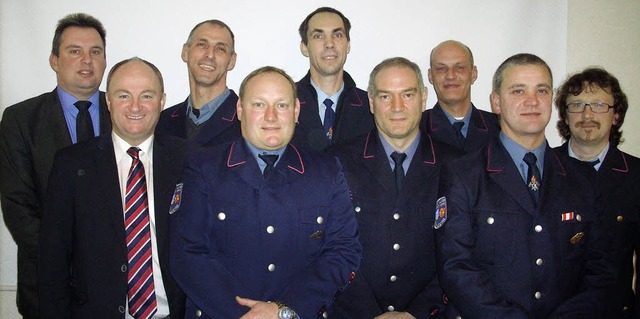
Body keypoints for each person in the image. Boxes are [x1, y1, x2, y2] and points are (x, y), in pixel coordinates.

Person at [170, 66, 361, 318]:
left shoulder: (326, 171)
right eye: (259, 105)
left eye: (281, 105)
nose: (271, 116)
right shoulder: (204, 167)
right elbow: (187, 253)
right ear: (239, 110)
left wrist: (283, 310)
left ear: (296, 111)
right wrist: (243, 314)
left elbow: (343, 250)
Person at [434, 53, 615, 318]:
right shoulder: (464, 174)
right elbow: (456, 267)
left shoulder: (582, 179)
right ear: (496, 102)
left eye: (541, 90)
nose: (532, 101)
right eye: (518, 90)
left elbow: (601, 269)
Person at [38, 57, 189, 318]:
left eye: (147, 95)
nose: (135, 106)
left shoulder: (189, 160)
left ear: (162, 101)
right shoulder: (71, 164)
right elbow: (53, 262)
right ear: (107, 101)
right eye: (123, 96)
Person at [327, 57, 459, 318]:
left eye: (407, 94)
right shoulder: (336, 162)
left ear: (423, 98)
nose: (397, 107)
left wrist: (417, 313)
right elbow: (329, 247)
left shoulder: (457, 166)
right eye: (386, 96)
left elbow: (459, 254)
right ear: (372, 102)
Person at [0, 13, 111, 318]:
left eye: (96, 52)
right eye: (75, 51)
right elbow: (18, 208)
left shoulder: (127, 114)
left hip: (116, 290)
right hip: (46, 289)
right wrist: (73, 264)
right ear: (54, 60)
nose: (86, 60)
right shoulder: (20, 120)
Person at [554, 67, 640, 318]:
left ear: (616, 115)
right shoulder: (543, 169)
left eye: (599, 105)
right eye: (577, 105)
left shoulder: (636, 176)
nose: (587, 114)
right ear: (565, 115)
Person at [293, 6, 374, 152]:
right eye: (318, 36)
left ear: (348, 45)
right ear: (304, 47)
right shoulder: (285, 102)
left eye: (337, 35)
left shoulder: (372, 106)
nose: (329, 44)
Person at [155, 19, 239, 146]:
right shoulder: (161, 122)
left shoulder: (247, 122)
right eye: (202, 44)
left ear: (232, 61)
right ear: (185, 52)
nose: (210, 55)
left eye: (220, 49)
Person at [421, 40, 499, 153]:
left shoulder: (500, 127)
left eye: (459, 67)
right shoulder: (417, 129)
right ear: (430, 76)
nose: (450, 76)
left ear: (473, 74)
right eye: (441, 68)